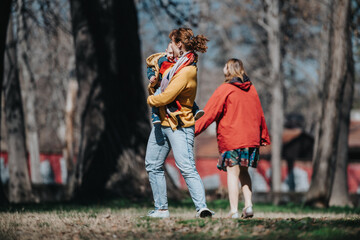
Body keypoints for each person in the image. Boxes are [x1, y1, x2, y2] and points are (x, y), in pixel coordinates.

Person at [145, 27, 213, 218]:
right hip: (162, 124)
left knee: (186, 167)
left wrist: (150, 99)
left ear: (179, 44)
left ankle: (202, 208)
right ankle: (161, 209)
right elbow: (154, 67)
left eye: (171, 43)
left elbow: (166, 97)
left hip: (180, 126)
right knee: (153, 164)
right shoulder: (174, 66)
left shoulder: (187, 71)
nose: (169, 48)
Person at [195, 58, 271, 218]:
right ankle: (248, 206)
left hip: (232, 139)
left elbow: (210, 113)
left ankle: (234, 210)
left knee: (232, 172)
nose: (223, 68)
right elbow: (259, 114)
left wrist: (192, 130)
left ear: (229, 69)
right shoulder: (252, 90)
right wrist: (263, 136)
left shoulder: (225, 89)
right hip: (250, 140)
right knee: (244, 172)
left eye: (225, 66)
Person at [146, 43, 204, 125]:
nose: (171, 56)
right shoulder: (161, 60)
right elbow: (152, 68)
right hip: (161, 84)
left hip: (172, 84)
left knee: (184, 96)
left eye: (173, 54)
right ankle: (155, 115)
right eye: (169, 53)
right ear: (166, 51)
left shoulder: (176, 62)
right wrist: (151, 76)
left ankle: (195, 110)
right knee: (157, 96)